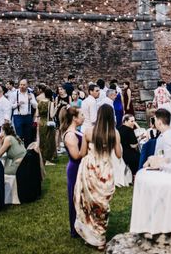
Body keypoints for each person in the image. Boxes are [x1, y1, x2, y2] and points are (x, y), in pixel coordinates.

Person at [74, 104, 122, 249]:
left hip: (90, 170)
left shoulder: (88, 132)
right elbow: (119, 155)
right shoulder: (115, 133)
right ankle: (99, 237)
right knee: (102, 205)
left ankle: (91, 236)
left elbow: (82, 153)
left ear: (99, 115)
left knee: (88, 203)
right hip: (105, 171)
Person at [61, 106, 87, 238]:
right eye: (81, 114)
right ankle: (75, 229)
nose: (84, 116)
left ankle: (85, 226)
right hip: (75, 168)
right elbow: (76, 155)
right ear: (74, 118)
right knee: (75, 197)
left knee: (83, 197)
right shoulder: (70, 135)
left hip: (82, 167)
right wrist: (87, 142)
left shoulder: (77, 131)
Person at [10, 79, 38, 145]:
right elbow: (10, 106)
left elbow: (35, 106)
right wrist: (17, 104)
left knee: (28, 135)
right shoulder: (14, 94)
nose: (22, 86)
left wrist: (31, 100)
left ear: (27, 85)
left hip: (28, 116)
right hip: (18, 116)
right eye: (21, 85)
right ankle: (19, 150)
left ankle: (27, 151)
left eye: (24, 85)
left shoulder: (31, 94)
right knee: (19, 135)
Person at [36, 85, 57, 163]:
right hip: (48, 123)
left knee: (42, 140)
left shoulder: (40, 102)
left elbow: (37, 114)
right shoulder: (50, 103)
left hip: (41, 122)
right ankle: (48, 158)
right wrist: (56, 108)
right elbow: (51, 115)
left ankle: (41, 157)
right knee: (49, 140)